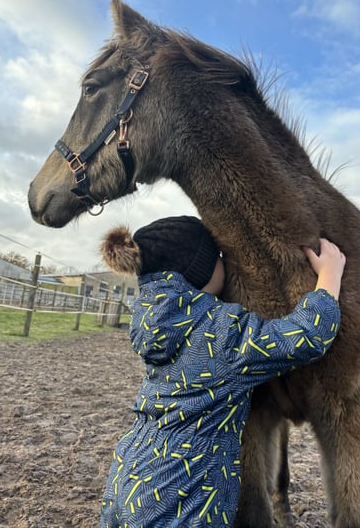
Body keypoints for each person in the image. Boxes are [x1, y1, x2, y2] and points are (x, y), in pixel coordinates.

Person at [98, 216, 345, 527]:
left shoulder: (152, 321)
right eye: (218, 256)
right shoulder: (220, 332)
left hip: (128, 480)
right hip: (181, 496)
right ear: (200, 270)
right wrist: (329, 277)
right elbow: (306, 336)